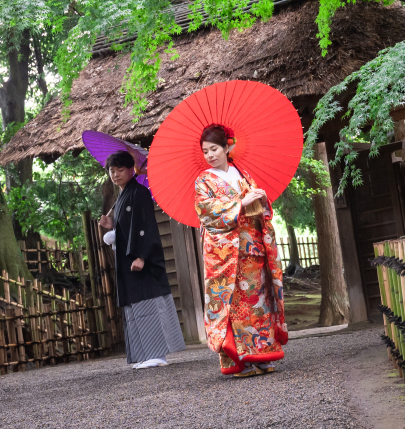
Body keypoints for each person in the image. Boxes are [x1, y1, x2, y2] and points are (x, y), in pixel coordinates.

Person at [194, 124, 288, 377]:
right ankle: (241, 360)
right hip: (227, 257)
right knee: (235, 306)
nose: (210, 155)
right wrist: (239, 202)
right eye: (205, 151)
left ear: (228, 147)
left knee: (259, 302)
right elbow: (206, 212)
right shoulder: (204, 180)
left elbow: (261, 211)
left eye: (214, 149)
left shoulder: (243, 174)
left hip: (253, 249)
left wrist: (260, 199)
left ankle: (263, 354)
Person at [99, 151, 185, 368]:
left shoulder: (140, 193)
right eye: (112, 171)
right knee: (136, 306)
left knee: (148, 304)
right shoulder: (123, 196)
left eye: (120, 170)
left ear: (131, 170)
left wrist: (141, 255)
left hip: (140, 260)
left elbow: (145, 227)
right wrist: (112, 226)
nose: (116, 175)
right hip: (128, 262)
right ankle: (146, 354)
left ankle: (158, 354)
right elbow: (127, 228)